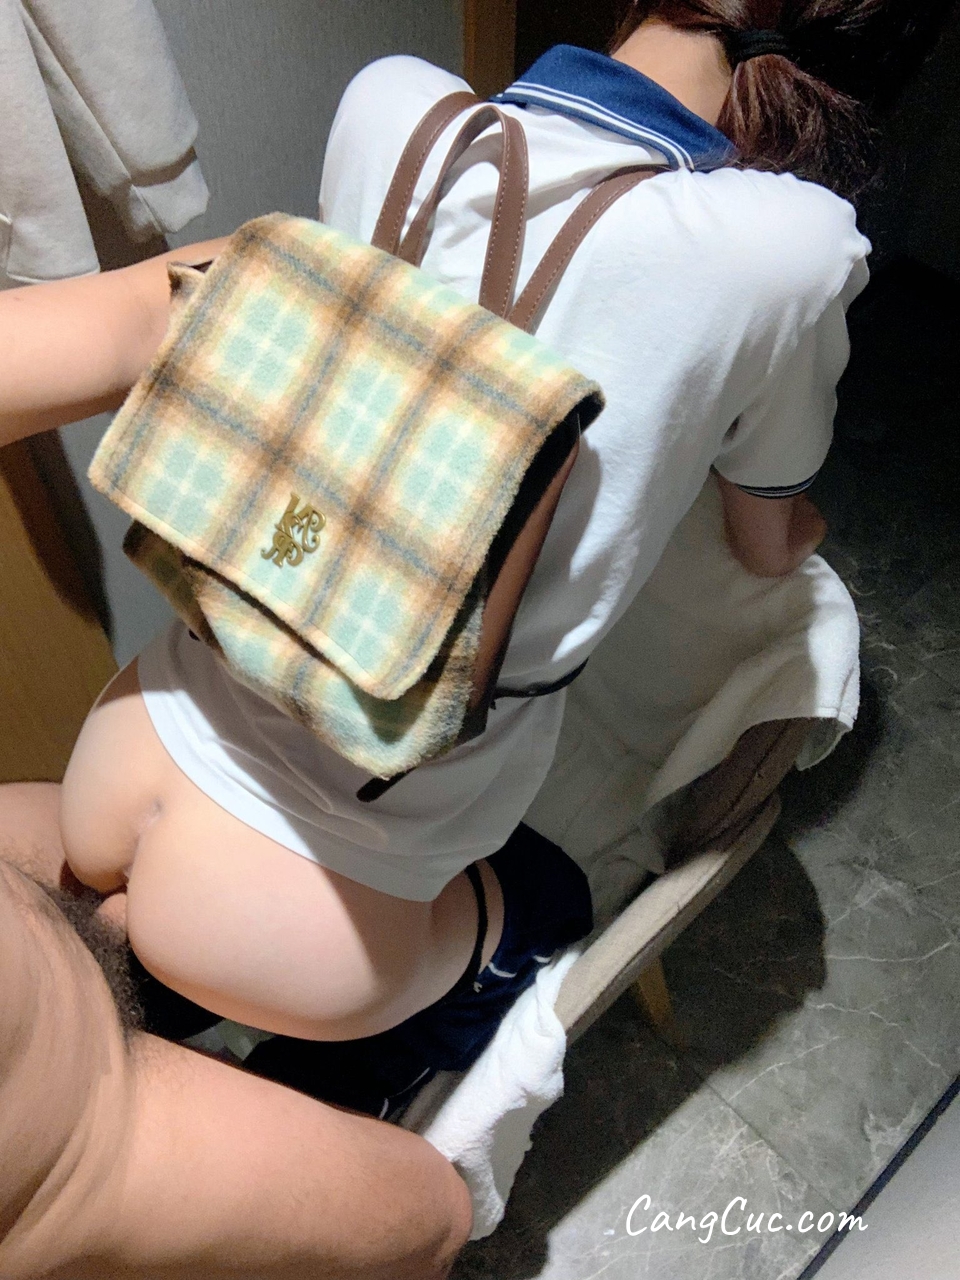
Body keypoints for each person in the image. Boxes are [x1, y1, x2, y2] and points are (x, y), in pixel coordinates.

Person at [0, 2, 945, 1272]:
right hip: (308, 929)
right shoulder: (792, 244)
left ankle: (174, 995)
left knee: (169, 957)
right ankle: (355, 1066)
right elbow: (770, 534)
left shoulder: (395, 102)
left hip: (123, 747)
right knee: (543, 896)